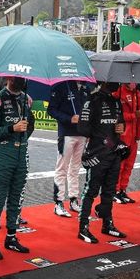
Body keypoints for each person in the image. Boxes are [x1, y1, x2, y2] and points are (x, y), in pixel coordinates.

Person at [0, 76, 34, 259]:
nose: (20, 80)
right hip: (2, 154)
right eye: (16, 77)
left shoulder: (27, 99)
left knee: (17, 196)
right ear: (7, 78)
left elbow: (31, 126)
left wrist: (22, 137)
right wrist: (12, 129)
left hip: (21, 153)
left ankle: (11, 237)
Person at [76, 82, 128, 243]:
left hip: (114, 153)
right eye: (112, 82)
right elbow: (82, 128)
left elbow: (121, 123)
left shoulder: (116, 101)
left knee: (109, 191)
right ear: (103, 81)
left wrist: (121, 127)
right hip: (97, 154)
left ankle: (107, 224)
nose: (116, 84)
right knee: (91, 191)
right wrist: (100, 133)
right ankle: (83, 228)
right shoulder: (91, 101)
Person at [48, 80, 89, 217]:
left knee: (75, 169)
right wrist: (69, 118)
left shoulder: (85, 89)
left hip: (82, 134)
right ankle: (58, 203)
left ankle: (73, 200)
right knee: (62, 168)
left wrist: (88, 131)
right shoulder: (61, 86)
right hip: (66, 134)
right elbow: (51, 110)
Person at [112, 82, 140, 204]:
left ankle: (122, 189)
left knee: (129, 165)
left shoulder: (137, 93)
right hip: (122, 136)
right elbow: (116, 115)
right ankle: (114, 191)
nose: (135, 83)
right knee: (119, 165)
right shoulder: (118, 93)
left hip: (133, 137)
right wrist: (133, 116)